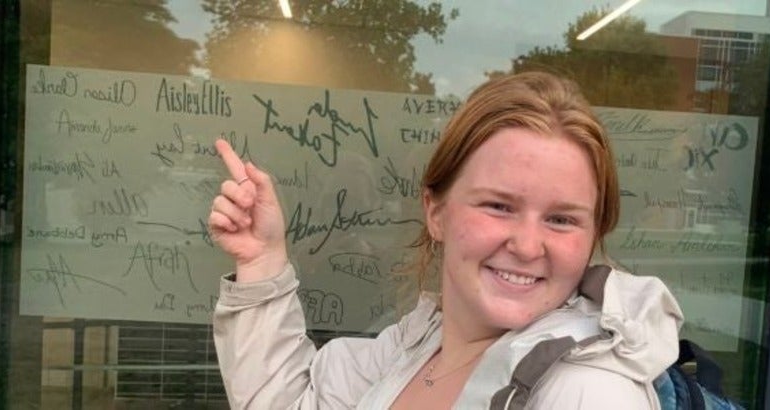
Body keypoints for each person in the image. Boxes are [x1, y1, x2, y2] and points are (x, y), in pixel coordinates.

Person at [209, 72, 683, 409]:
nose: (527, 244)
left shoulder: (586, 393)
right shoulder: (412, 349)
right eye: (499, 206)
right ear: (436, 212)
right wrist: (262, 259)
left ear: (593, 235)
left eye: (561, 219)